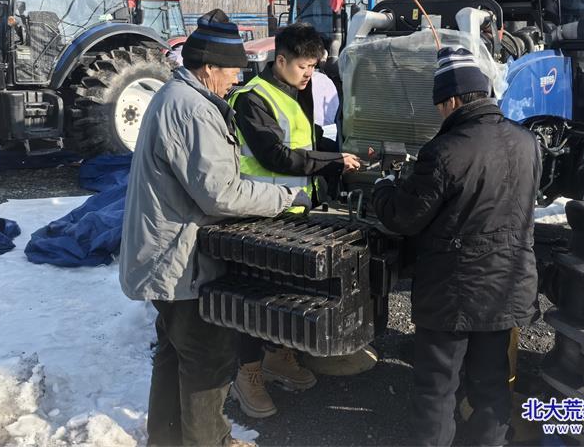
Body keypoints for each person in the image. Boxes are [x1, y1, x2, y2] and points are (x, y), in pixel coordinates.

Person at [119, 10, 310, 447]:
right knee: (207, 359)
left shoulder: (175, 97)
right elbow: (220, 193)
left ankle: (167, 437)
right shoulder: (192, 110)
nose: (236, 79)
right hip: (178, 260)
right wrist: (286, 198)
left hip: (164, 255)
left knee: (175, 352)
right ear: (208, 68)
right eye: (232, 71)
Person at [372, 46, 542, 447]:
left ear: (451, 100)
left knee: (437, 389)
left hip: (453, 295)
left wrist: (383, 187)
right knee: (491, 387)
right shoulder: (527, 141)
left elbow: (404, 217)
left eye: (439, 105)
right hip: (507, 286)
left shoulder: (445, 150)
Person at [226, 22, 360, 418]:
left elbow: (309, 142)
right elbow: (276, 156)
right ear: (280, 59)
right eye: (304, 66)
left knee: (284, 294)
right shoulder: (252, 98)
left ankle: (277, 355)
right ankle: (247, 373)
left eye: (314, 66)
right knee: (254, 297)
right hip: (258, 214)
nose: (309, 74)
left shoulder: (299, 91)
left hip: (294, 210)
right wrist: (333, 161)